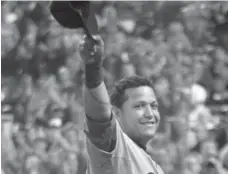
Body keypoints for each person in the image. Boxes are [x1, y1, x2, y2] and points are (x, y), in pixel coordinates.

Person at [79, 34, 164, 174]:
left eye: (153, 106)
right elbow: (100, 117)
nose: (150, 114)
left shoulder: (155, 167)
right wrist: (93, 68)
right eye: (139, 106)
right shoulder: (114, 147)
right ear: (117, 113)